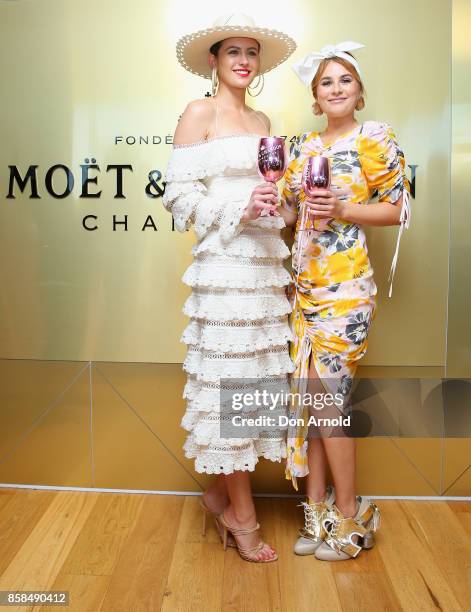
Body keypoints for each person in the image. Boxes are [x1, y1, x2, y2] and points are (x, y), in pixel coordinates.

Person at [162, 14, 296, 563]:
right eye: (233, 51)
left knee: (257, 387)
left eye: (251, 52)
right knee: (231, 387)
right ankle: (241, 517)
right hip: (224, 271)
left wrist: (286, 207)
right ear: (214, 60)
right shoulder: (199, 113)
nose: (243, 59)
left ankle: (219, 496)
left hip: (265, 268)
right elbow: (176, 197)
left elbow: (273, 199)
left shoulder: (264, 119)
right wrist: (237, 209)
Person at [278, 41, 411, 560]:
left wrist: (345, 208)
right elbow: (291, 218)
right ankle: (316, 514)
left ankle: (352, 516)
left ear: (359, 92)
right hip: (303, 290)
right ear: (315, 97)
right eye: (326, 82)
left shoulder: (374, 138)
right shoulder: (301, 149)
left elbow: (399, 210)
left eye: (345, 81)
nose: (336, 89)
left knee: (330, 402)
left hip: (347, 288)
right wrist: (272, 206)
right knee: (313, 404)